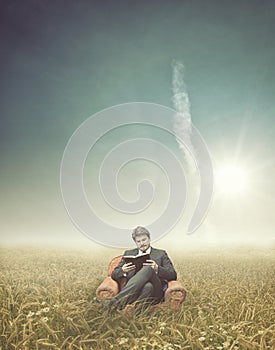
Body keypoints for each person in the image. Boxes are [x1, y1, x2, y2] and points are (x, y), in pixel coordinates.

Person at [104, 226, 177, 311]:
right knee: (148, 286)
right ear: (135, 242)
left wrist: (157, 268)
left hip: (156, 291)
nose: (142, 243)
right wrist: (122, 270)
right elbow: (114, 274)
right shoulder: (128, 253)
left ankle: (114, 302)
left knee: (148, 269)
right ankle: (135, 311)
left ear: (149, 239)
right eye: (138, 241)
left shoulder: (161, 254)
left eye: (144, 240)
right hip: (134, 292)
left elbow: (173, 274)